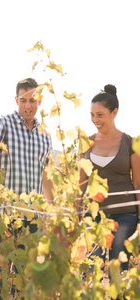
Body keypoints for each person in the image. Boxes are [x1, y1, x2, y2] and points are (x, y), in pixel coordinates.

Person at [0, 78, 54, 299]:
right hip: (4, 217)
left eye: (32, 100)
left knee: (25, 280)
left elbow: (46, 176)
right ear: (16, 100)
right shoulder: (3, 123)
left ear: (39, 101)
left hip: (33, 220)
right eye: (23, 100)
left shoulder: (46, 136)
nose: (28, 105)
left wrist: (50, 211)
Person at [79, 84, 140, 277]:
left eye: (100, 115)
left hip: (125, 215)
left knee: (117, 271)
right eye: (92, 115)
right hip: (94, 215)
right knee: (90, 269)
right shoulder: (86, 143)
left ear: (114, 113)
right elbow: (81, 185)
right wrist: (75, 215)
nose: (95, 120)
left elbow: (138, 185)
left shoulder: (130, 143)